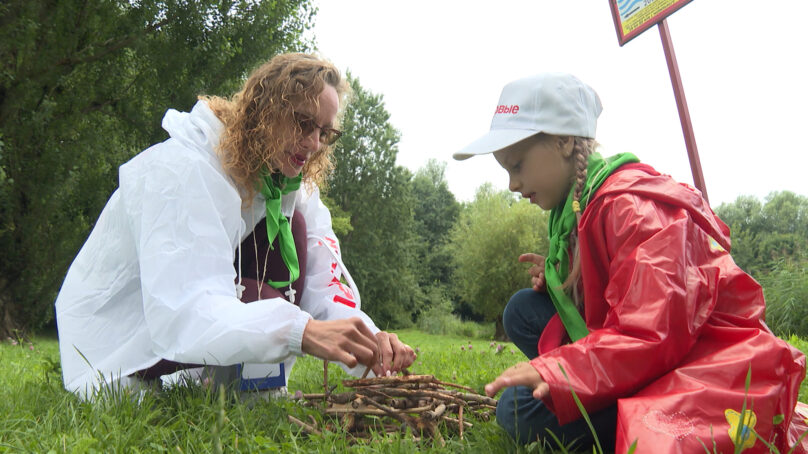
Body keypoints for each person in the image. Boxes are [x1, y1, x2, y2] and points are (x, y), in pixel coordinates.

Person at [454, 73, 808, 453]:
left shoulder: (634, 210)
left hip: (693, 360)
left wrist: (558, 370)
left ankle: (625, 408)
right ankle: (600, 399)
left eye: (518, 165)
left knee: (517, 411)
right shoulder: (577, 206)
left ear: (563, 141)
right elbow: (616, 296)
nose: (512, 184)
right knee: (522, 309)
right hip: (644, 351)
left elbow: (651, 331)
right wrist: (566, 277)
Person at [55, 53, 415, 399]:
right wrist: (299, 330)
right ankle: (137, 379)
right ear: (266, 110)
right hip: (123, 337)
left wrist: (370, 339)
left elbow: (324, 281)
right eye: (303, 123)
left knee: (294, 227)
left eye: (325, 133)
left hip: (185, 328)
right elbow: (184, 304)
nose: (313, 143)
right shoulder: (184, 168)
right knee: (266, 276)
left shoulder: (291, 184)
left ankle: (251, 387)